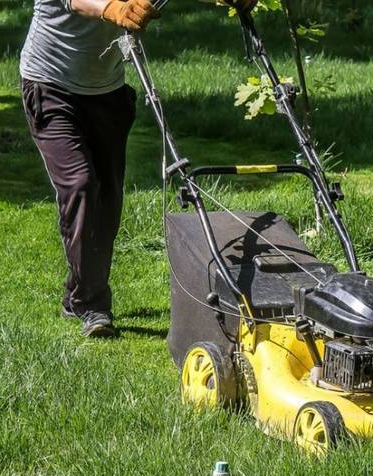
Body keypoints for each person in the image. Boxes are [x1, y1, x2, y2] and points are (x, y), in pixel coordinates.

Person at [19, 0, 256, 338]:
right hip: (50, 85)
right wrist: (112, 7)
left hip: (107, 92)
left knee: (108, 200)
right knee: (80, 185)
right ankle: (92, 305)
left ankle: (78, 290)